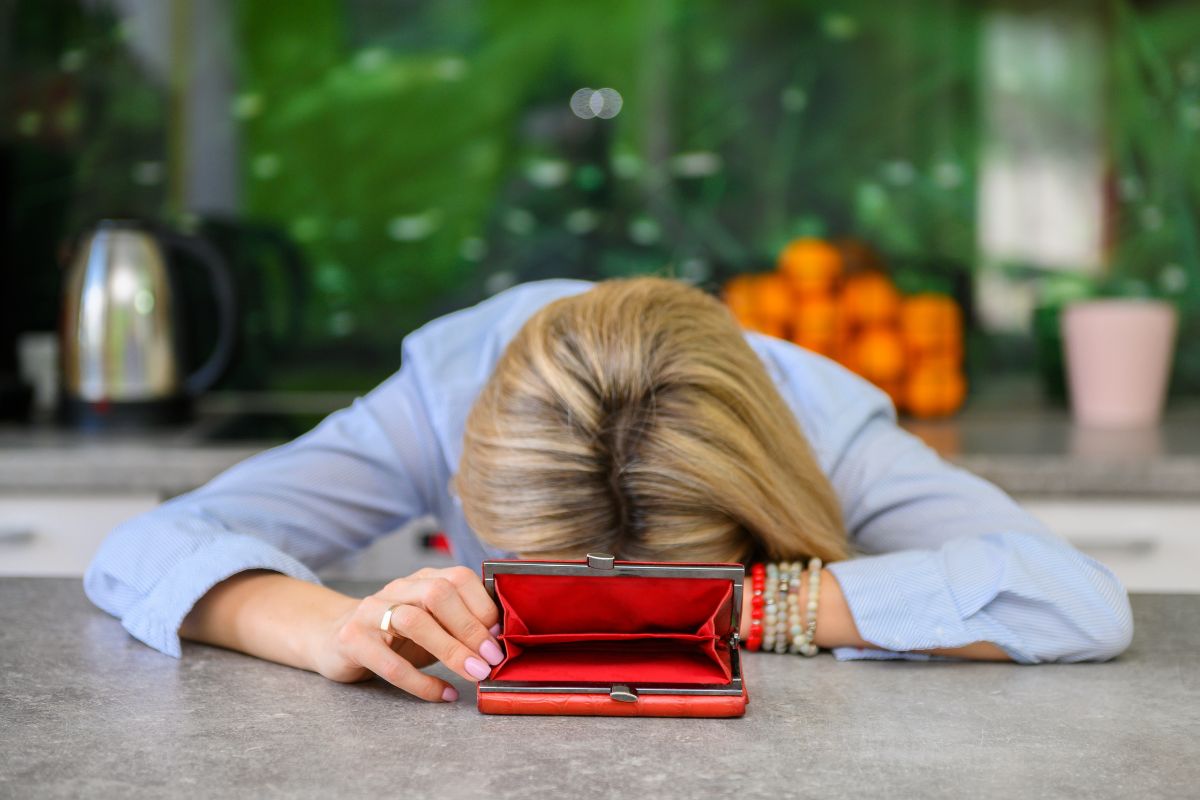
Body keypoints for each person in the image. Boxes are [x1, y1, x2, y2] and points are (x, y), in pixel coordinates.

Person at [84, 276, 1134, 703]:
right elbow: (141, 545)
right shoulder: (441, 400)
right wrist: (329, 625)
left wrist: (742, 603)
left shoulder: (822, 420)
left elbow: (1076, 594)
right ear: (467, 470)